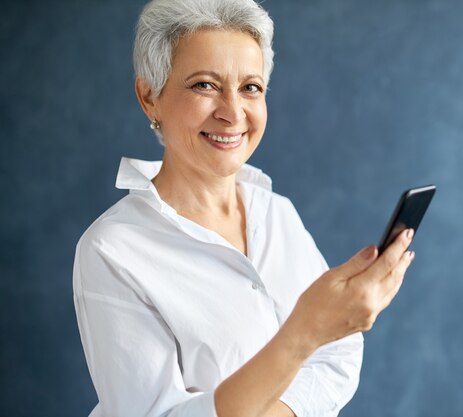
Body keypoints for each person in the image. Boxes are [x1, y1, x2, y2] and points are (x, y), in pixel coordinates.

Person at [72, 0, 416, 416]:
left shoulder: (276, 213)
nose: (232, 113)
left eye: (250, 87)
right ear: (150, 97)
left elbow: (337, 357)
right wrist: (304, 332)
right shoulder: (112, 250)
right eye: (204, 85)